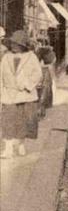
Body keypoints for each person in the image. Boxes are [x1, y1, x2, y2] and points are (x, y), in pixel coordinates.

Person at [0, 30, 43, 159]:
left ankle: (20, 144)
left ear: (23, 45)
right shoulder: (6, 57)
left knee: (23, 121)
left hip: (26, 94)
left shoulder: (31, 57)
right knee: (8, 121)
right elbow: (0, 75)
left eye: (17, 44)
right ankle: (8, 149)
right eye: (12, 43)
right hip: (9, 94)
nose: (14, 46)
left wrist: (27, 85)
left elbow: (38, 75)